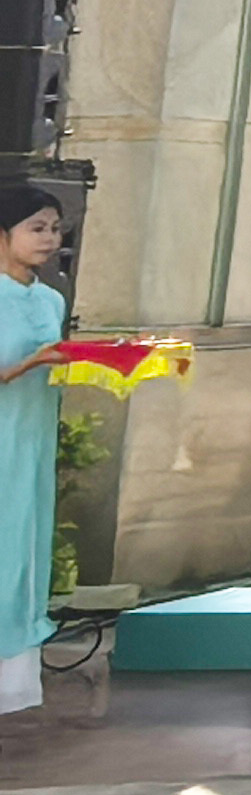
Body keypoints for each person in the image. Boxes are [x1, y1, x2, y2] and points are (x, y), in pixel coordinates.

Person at [0, 186, 74, 719]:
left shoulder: (51, 300)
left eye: (55, 228)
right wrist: (30, 363)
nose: (49, 239)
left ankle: (13, 683)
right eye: (36, 228)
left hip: (31, 442)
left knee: (22, 548)